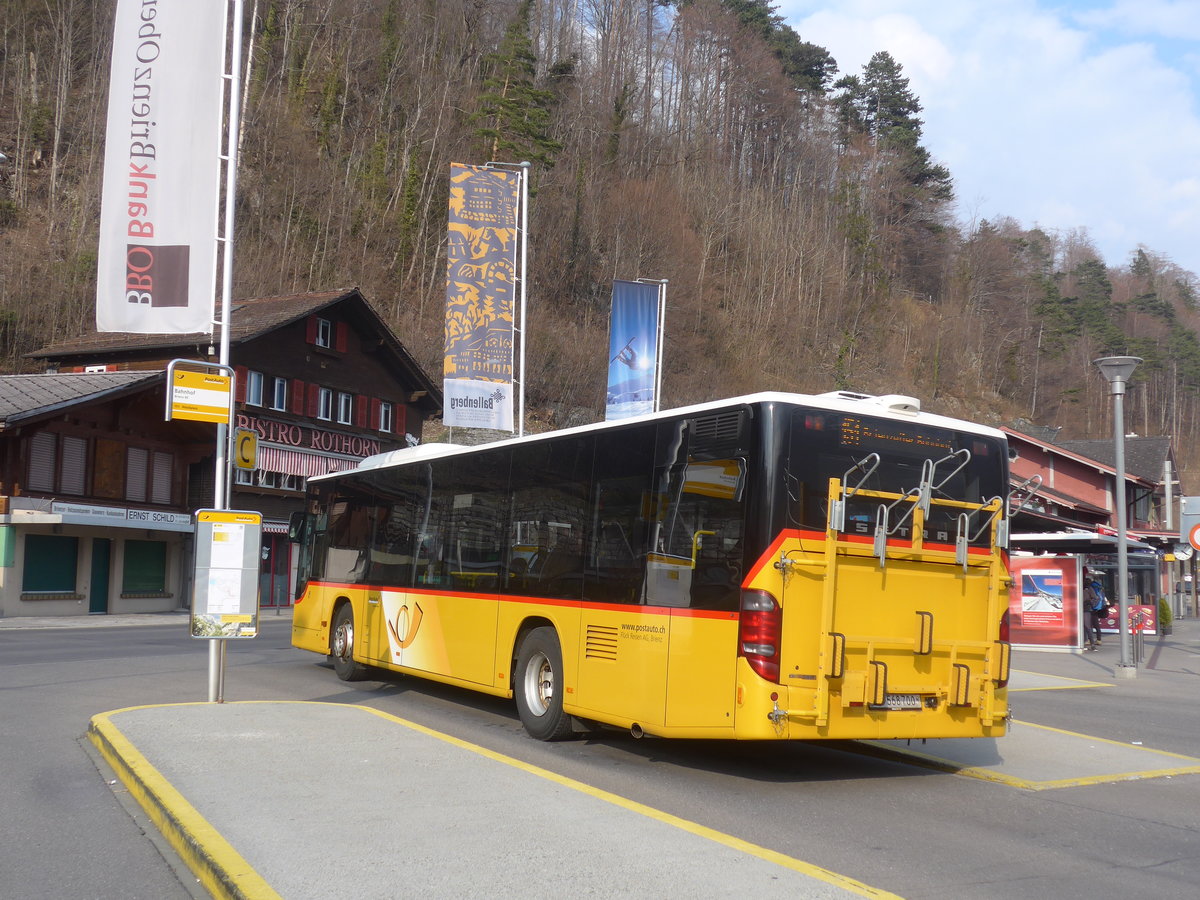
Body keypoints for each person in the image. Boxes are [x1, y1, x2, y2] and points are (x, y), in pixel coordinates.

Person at [1083, 576, 1108, 651]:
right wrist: (1092, 604)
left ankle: (1088, 642)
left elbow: (1095, 598)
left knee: (1086, 626)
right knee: (1089, 626)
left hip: (1084, 608)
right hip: (1089, 609)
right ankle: (1093, 643)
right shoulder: (1090, 588)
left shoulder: (1085, 588)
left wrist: (1089, 603)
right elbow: (1096, 598)